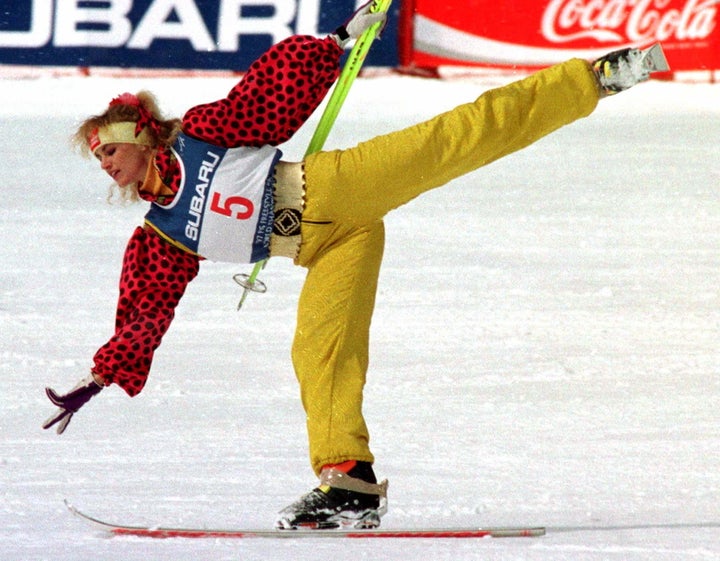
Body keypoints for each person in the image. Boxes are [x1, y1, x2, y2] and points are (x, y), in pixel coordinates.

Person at [41, 3, 668, 528]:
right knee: (319, 350)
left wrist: (339, 40)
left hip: (337, 189)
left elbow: (270, 95)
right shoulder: (159, 237)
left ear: (141, 137)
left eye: (109, 149)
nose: (105, 164)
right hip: (326, 249)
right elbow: (145, 312)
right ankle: (350, 482)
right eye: (98, 159)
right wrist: (100, 379)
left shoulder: (202, 134)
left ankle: (597, 78)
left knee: (460, 135)